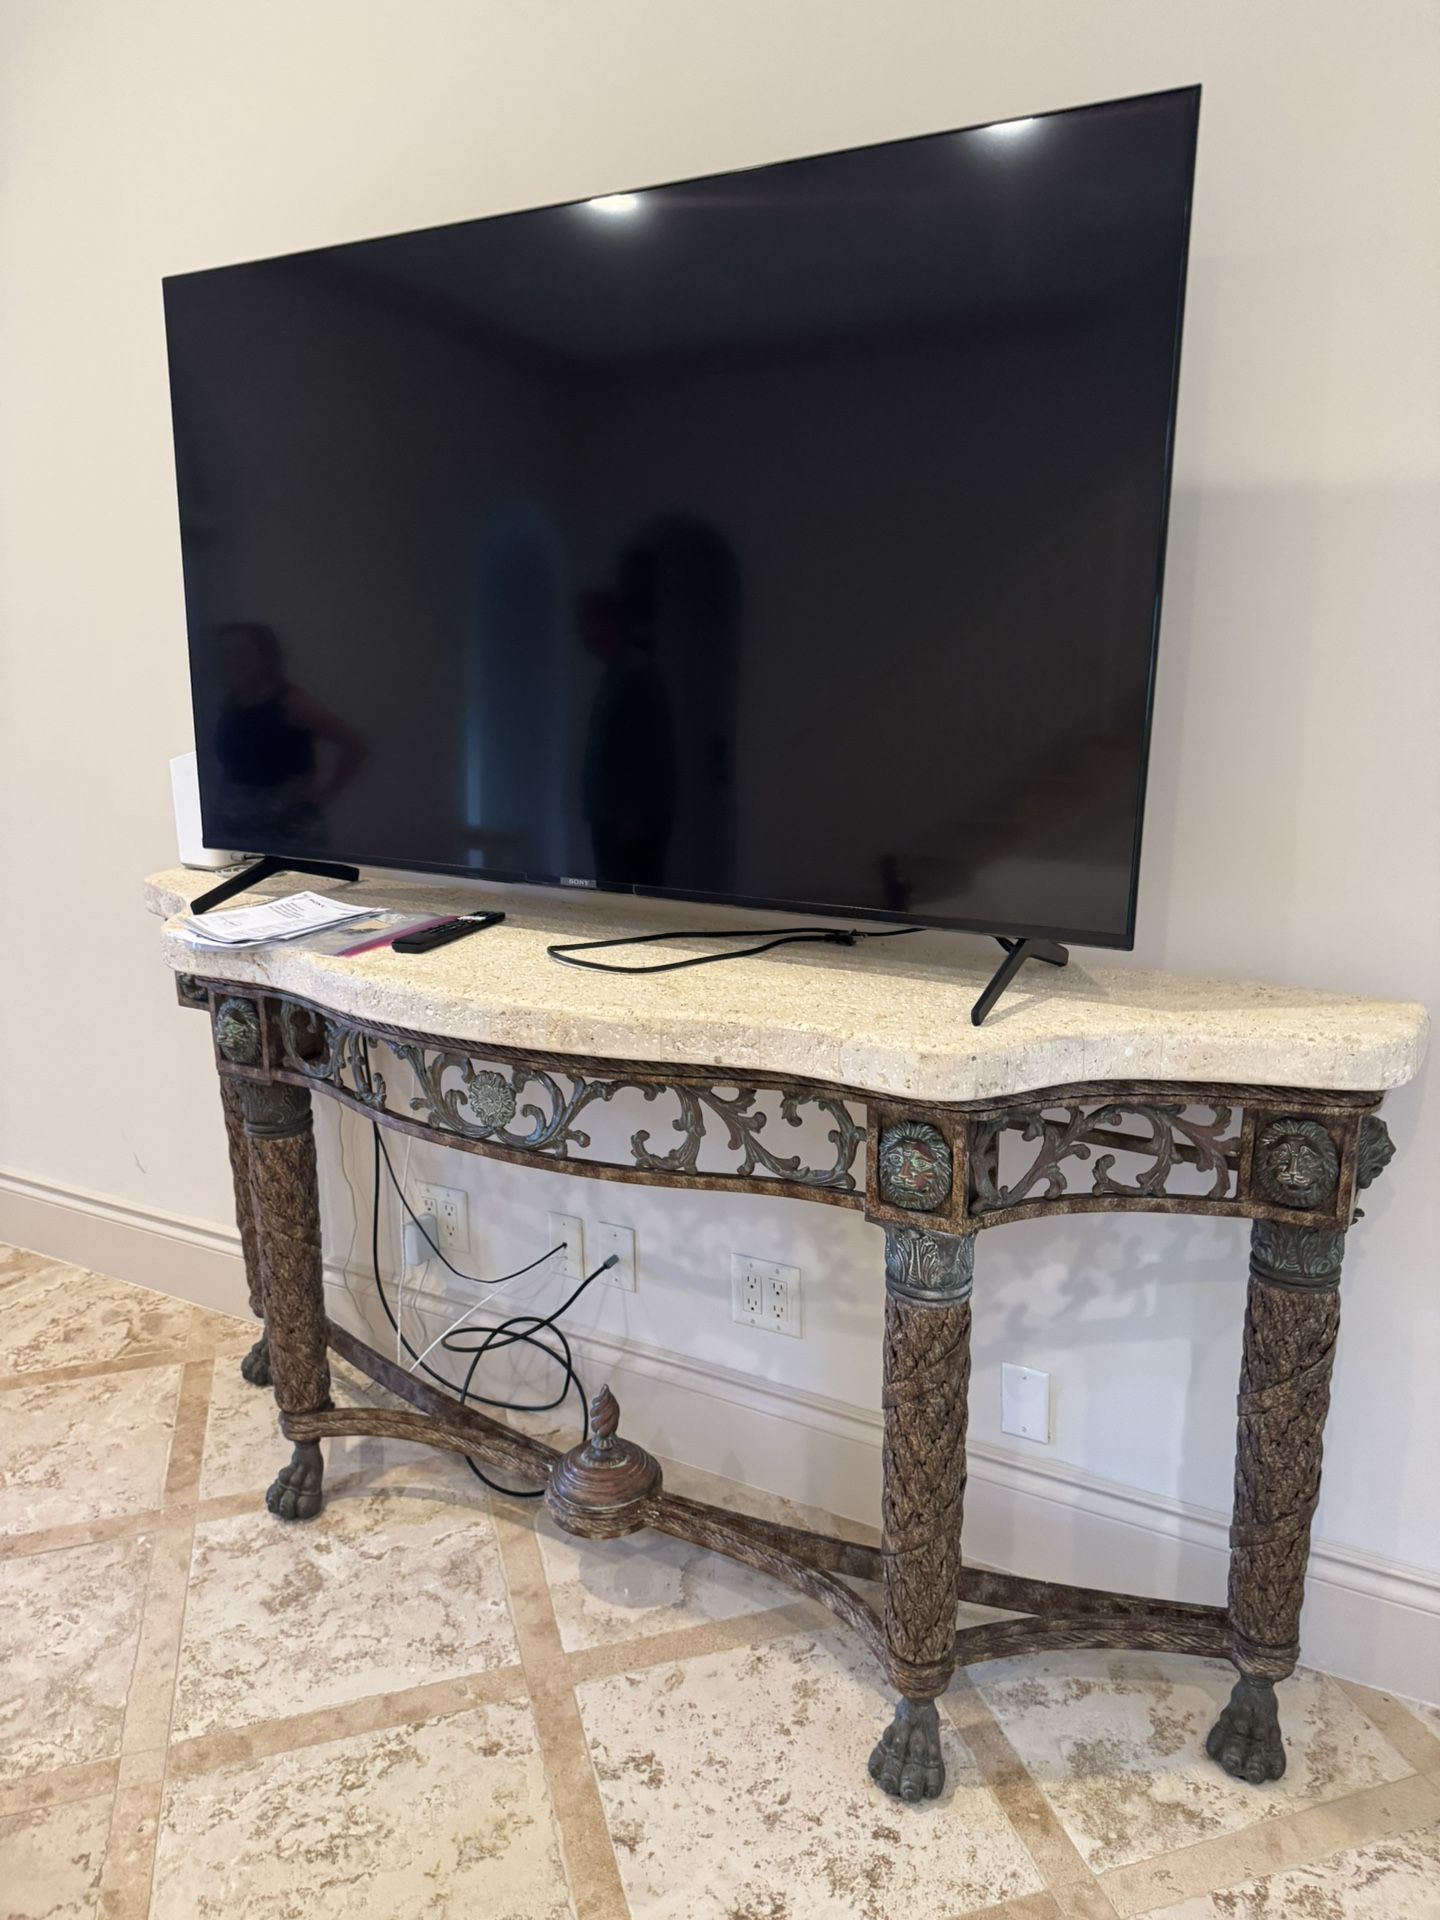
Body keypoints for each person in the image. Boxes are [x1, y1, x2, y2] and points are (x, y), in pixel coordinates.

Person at [211, 621, 365, 849]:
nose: (232, 660)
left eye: (242, 652)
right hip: (235, 830)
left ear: (266, 658)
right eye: (225, 653)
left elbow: (354, 746)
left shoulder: (291, 702)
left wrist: (326, 793)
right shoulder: (231, 702)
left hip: (287, 832)